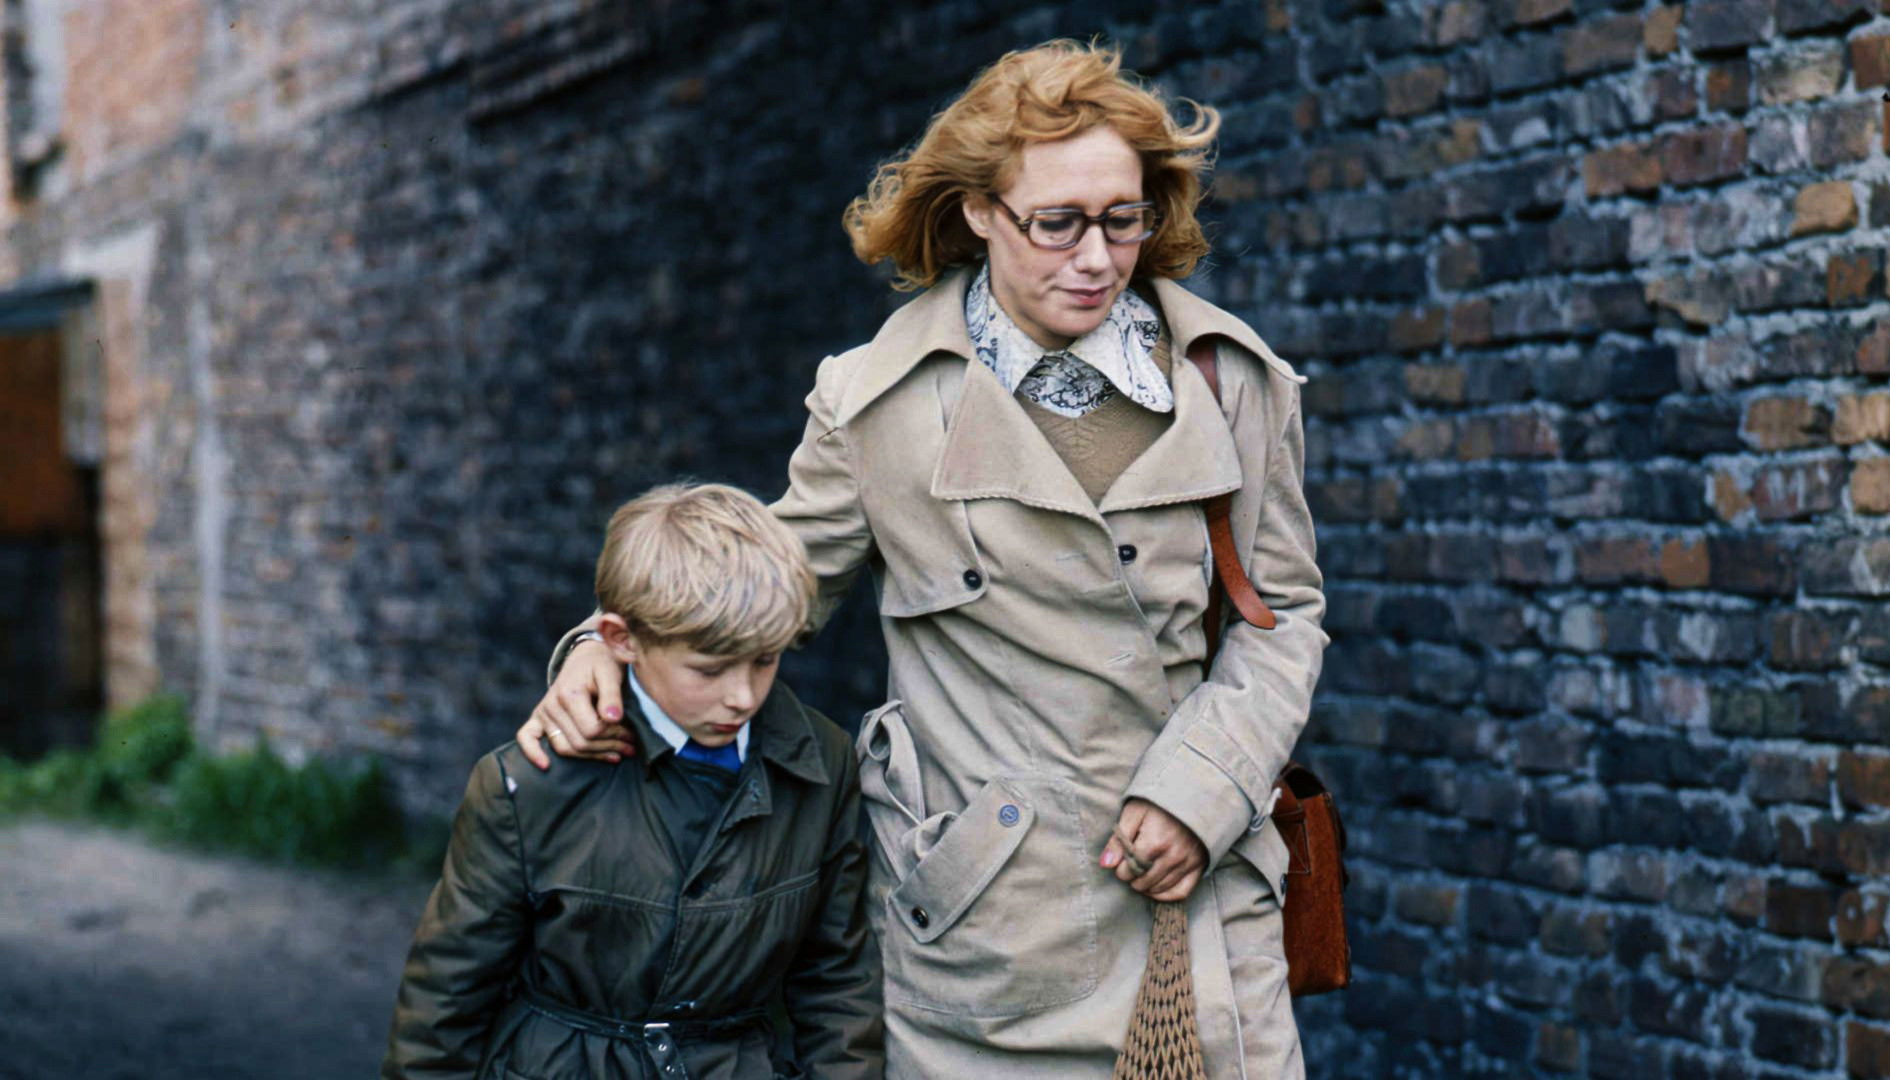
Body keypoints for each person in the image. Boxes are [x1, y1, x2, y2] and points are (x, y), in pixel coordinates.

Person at [520, 40, 1327, 1079]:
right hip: (990, 936)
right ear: (981, 210)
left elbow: (1282, 616)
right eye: (1058, 223)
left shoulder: (1230, 379)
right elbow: (760, 593)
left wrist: (1202, 790)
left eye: (1122, 219)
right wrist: (608, 650)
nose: (1096, 257)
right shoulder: (876, 402)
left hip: (1199, 909)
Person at [384, 483, 882, 1080]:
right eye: (709, 669)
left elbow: (837, 981)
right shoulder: (527, 783)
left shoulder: (824, 764)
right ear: (622, 640)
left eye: (764, 660)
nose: (742, 695)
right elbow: (445, 1003)